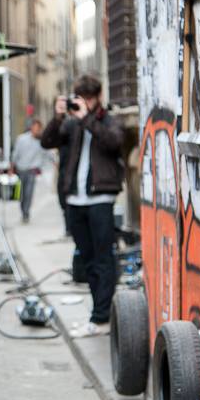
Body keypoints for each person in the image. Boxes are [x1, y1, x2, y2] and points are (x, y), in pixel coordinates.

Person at [41, 75, 124, 338]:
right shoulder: (71, 124)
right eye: (81, 98)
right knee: (87, 261)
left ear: (98, 97)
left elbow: (114, 143)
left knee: (103, 259)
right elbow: (47, 142)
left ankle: (101, 318)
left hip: (100, 199)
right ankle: (99, 314)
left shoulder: (108, 121)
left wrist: (87, 119)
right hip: (75, 201)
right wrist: (58, 117)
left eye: (89, 98)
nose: (85, 103)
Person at [10, 118, 48, 223]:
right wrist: (11, 168)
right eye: (35, 128)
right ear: (31, 127)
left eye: (39, 128)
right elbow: (15, 154)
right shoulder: (21, 139)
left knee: (29, 193)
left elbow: (47, 153)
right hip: (21, 169)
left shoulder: (41, 141)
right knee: (21, 193)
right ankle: (23, 210)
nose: (37, 130)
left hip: (32, 170)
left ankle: (26, 213)